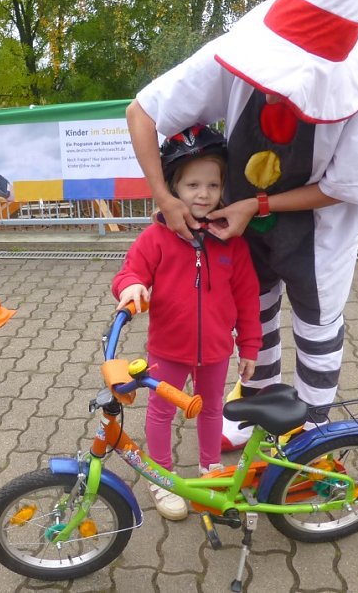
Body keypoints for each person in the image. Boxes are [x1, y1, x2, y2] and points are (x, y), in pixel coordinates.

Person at [125, 0, 358, 450]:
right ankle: (260, 416)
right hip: (239, 222)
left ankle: (312, 433)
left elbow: (349, 184)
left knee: (317, 324)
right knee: (255, 315)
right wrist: (167, 199)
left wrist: (260, 205)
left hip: (319, 225)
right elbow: (141, 113)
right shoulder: (242, 43)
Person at [112, 125, 262, 521]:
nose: (203, 193)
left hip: (215, 349)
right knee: (161, 413)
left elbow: (248, 300)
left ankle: (210, 467)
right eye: (192, 184)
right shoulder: (155, 238)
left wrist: (249, 347)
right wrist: (131, 289)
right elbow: (130, 273)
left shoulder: (233, 241)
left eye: (213, 185)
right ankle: (159, 476)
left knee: (213, 408)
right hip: (168, 349)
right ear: (173, 188)